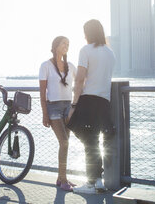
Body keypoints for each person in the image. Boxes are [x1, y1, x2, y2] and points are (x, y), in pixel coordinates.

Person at [66, 19, 115, 194]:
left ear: (89, 33)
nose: (83, 35)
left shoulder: (85, 50)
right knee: (93, 141)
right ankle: (99, 181)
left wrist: (73, 104)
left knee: (87, 139)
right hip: (104, 102)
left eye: (84, 32)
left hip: (88, 100)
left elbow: (80, 79)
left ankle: (90, 183)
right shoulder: (110, 53)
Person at [39, 36, 77, 192]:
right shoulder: (45, 66)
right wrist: (44, 114)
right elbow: (42, 92)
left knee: (65, 143)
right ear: (55, 46)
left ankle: (60, 178)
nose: (66, 46)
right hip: (53, 108)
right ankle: (63, 179)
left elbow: (81, 83)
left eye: (68, 44)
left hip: (68, 108)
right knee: (64, 142)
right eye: (64, 43)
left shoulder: (71, 66)